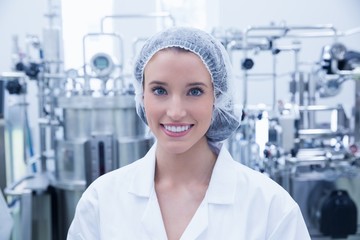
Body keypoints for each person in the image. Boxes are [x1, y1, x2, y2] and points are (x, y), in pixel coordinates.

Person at [67, 27, 311, 240]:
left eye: (194, 92)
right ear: (141, 96)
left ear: (218, 98)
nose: (175, 112)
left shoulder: (271, 208)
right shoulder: (101, 201)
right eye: (159, 90)